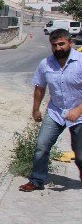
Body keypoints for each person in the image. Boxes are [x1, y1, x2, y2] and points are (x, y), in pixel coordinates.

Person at [19, 28, 82, 191]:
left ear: (70, 43)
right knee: (42, 146)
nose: (58, 48)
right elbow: (40, 87)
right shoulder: (45, 64)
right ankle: (37, 180)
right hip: (56, 112)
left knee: (80, 155)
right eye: (54, 45)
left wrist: (78, 110)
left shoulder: (81, 61)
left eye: (62, 44)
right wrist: (35, 110)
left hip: (80, 115)